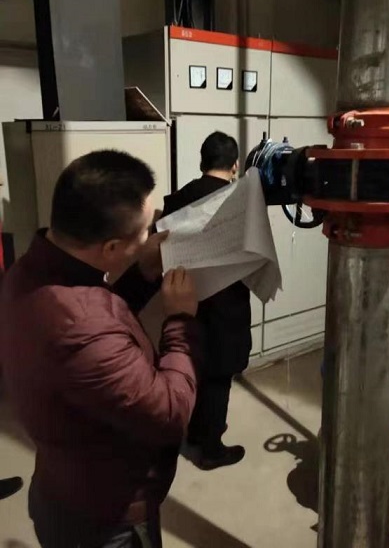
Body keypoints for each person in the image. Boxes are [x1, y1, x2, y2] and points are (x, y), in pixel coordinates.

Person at [0, 150, 202, 548]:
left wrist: (143, 273)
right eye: (145, 231)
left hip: (64, 485)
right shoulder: (81, 330)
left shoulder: (31, 270)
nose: (151, 237)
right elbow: (170, 413)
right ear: (110, 248)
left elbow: (99, 308)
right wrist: (180, 320)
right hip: (106, 521)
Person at [162, 131, 251, 471]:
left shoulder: (178, 200)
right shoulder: (239, 202)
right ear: (235, 165)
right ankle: (211, 450)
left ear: (202, 161)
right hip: (226, 304)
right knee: (219, 376)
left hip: (186, 298)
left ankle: (197, 432)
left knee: (193, 367)